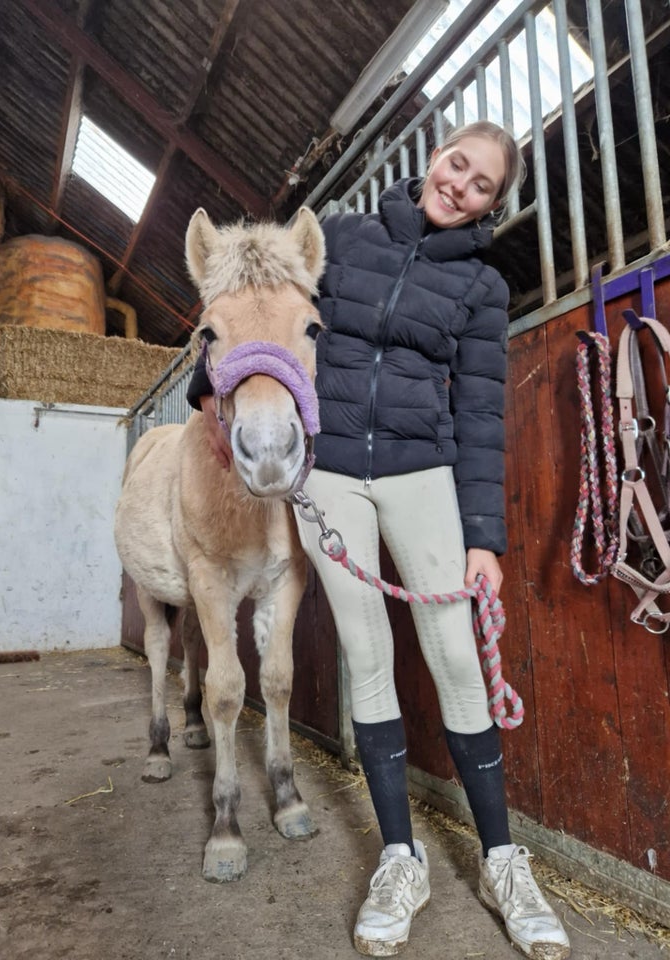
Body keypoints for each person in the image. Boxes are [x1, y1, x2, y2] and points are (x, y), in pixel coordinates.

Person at [187, 120, 570, 960]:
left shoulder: (480, 288)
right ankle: (401, 858)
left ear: (490, 205)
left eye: (481, 186)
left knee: (456, 657)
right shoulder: (345, 239)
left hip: (420, 472)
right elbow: (255, 313)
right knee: (367, 654)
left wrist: (483, 537)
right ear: (435, 156)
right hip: (329, 478)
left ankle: (503, 860)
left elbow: (479, 412)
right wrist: (202, 386)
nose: (460, 185)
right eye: (456, 164)